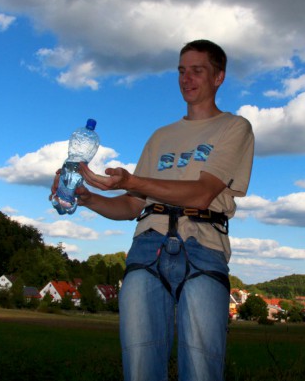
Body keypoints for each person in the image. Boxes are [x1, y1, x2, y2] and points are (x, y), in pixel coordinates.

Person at [57, 39, 254, 381]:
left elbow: (202, 194)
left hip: (204, 246)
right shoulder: (160, 136)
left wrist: (132, 181)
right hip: (147, 246)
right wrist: (87, 197)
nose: (186, 78)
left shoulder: (235, 127)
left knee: (203, 371)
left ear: (218, 76)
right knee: (139, 370)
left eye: (197, 70)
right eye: (181, 71)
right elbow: (133, 206)